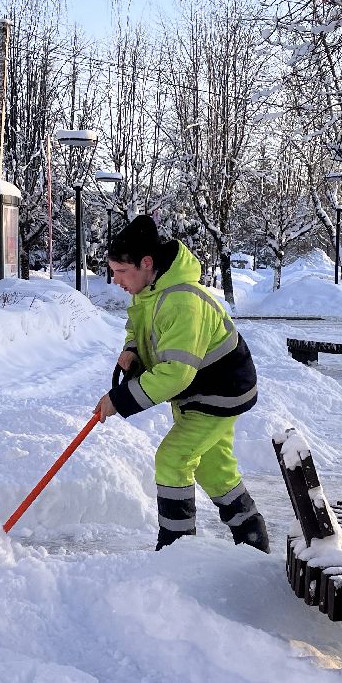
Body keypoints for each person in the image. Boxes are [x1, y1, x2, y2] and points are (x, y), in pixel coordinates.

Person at [94, 215, 269, 553]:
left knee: (173, 459)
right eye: (113, 271)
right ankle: (251, 537)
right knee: (213, 466)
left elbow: (176, 373)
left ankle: (176, 550)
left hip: (219, 391)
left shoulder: (182, 300)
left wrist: (121, 399)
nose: (115, 281)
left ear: (147, 263)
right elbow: (140, 325)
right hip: (202, 390)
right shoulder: (150, 291)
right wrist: (133, 349)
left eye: (121, 272)